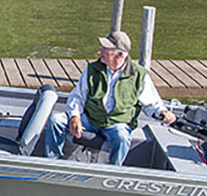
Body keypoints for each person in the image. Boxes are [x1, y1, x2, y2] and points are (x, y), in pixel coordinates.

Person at [44, 30, 176, 165]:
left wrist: (163, 112)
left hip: (117, 123)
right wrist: (75, 116)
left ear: (120, 54)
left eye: (106, 49)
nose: (101, 51)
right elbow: (77, 96)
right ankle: (54, 162)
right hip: (90, 119)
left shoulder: (139, 75)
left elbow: (152, 104)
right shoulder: (92, 69)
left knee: (122, 138)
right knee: (56, 120)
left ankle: (113, 170)